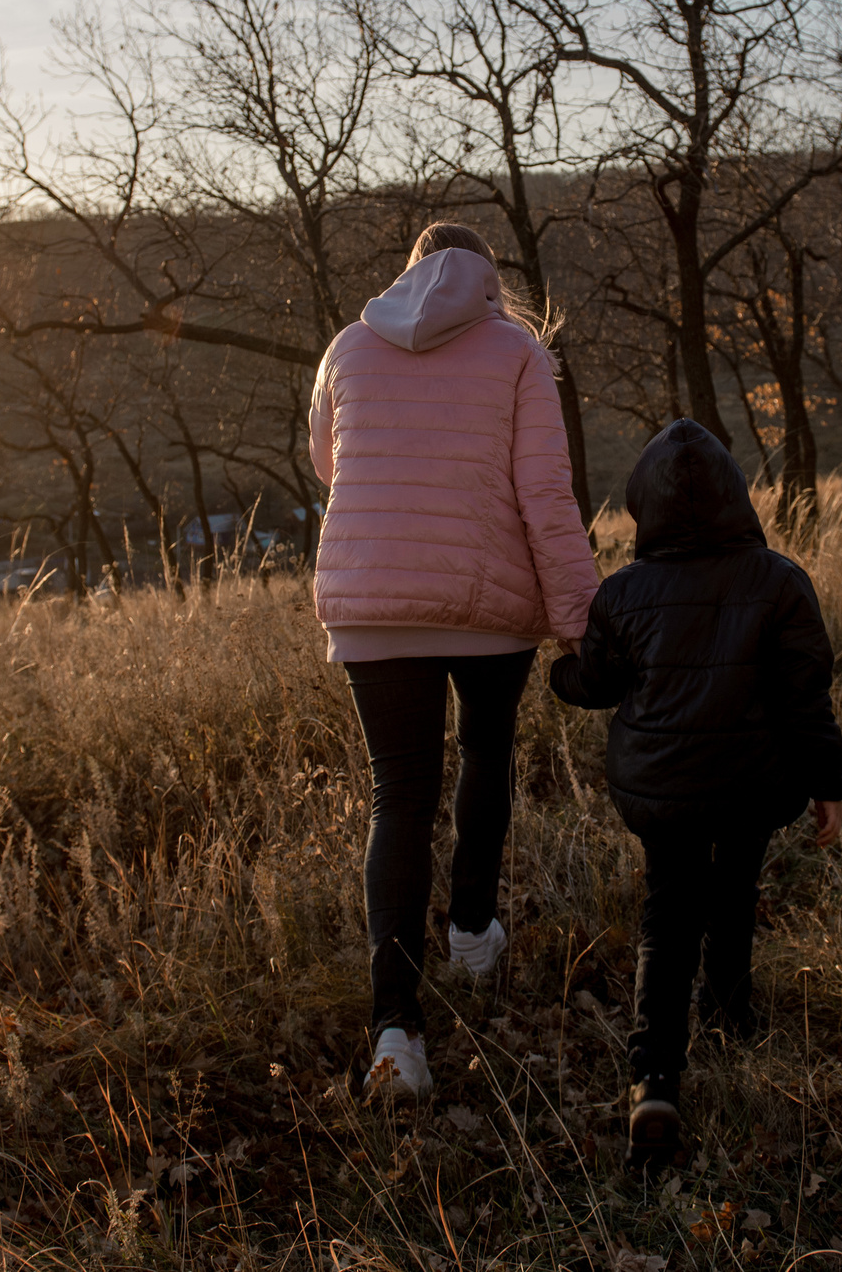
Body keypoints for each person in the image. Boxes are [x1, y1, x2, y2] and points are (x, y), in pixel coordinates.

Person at [309, 223, 601, 1099]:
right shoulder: (517, 350)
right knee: (486, 751)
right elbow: (545, 488)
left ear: (409, 272)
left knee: (399, 794)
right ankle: (472, 931)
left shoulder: (349, 345)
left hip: (373, 599)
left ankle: (397, 1035)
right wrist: (580, 618)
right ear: (489, 278)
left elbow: (328, 461)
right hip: (487, 604)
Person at [549, 418, 842, 1169]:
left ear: (642, 506)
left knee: (668, 910)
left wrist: (560, 667)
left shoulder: (624, 593)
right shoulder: (781, 581)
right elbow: (806, 696)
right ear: (736, 497)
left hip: (664, 785)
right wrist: (826, 784)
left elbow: (594, 686)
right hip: (755, 780)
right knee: (737, 885)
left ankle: (654, 1074)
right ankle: (730, 1010)